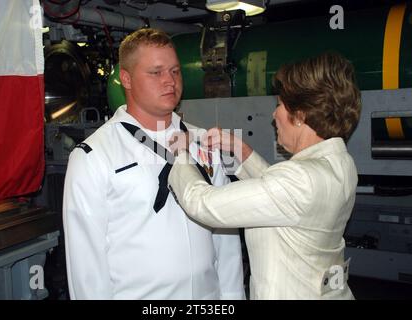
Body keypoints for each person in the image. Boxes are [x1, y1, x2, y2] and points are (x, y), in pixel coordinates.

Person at [62, 28, 245, 300]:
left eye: (175, 71)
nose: (169, 81)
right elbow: (86, 263)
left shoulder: (203, 143)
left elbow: (225, 237)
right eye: (156, 72)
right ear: (126, 78)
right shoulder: (94, 156)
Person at [168, 52, 362, 300]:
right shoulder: (340, 164)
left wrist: (181, 154)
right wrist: (240, 150)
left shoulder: (300, 180)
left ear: (300, 115)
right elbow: (281, 194)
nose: (274, 115)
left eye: (280, 104)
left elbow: (202, 203)